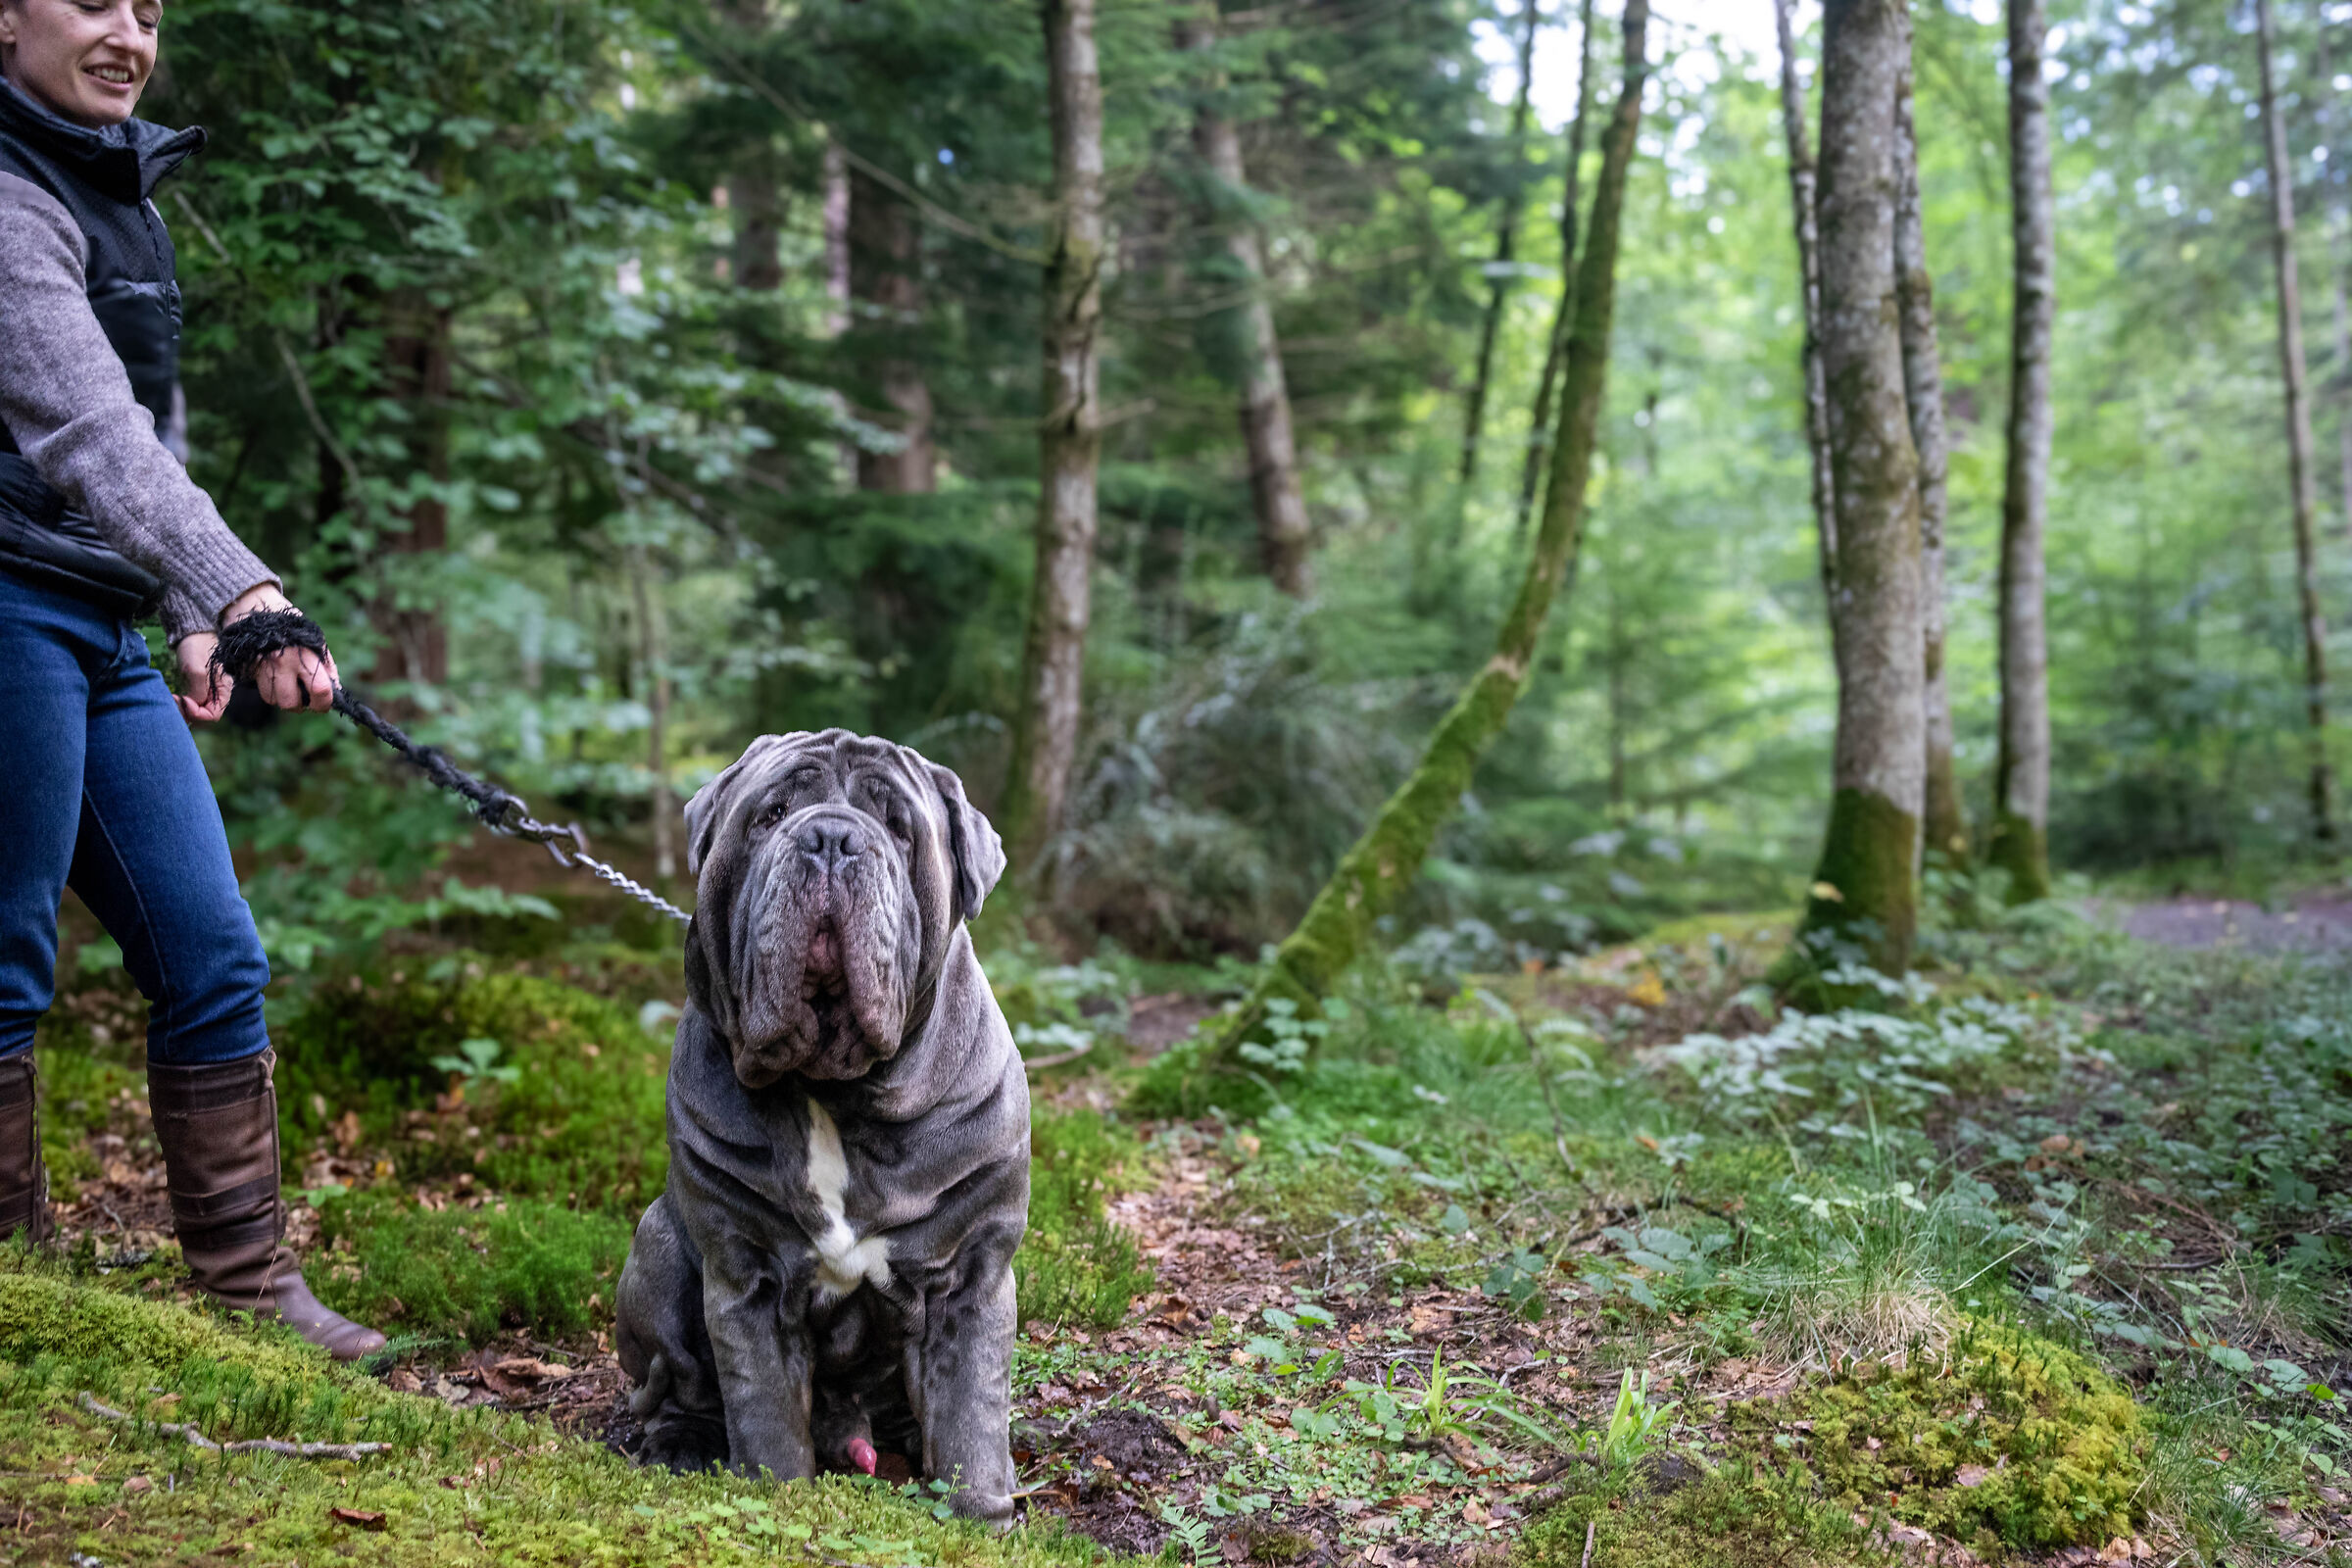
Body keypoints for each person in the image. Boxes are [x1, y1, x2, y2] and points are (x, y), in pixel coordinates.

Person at [0, 0, 383, 1359]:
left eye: (152, 11)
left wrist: (191, 608)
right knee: (5, 968)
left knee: (213, 955)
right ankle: (14, 1296)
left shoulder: (120, 195)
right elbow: (81, 429)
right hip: (5, 610)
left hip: (99, 622)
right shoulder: (4, 194)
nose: (129, 33)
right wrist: (245, 589)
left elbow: (152, 446)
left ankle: (247, 1292)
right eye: (94, 0)